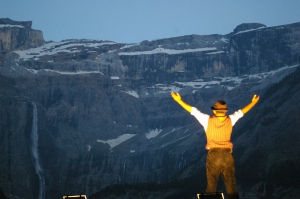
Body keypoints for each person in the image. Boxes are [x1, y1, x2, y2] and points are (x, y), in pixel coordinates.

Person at [171, 92, 260, 199]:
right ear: (224, 111)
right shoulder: (230, 120)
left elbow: (193, 111)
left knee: (212, 183)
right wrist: (253, 102)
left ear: (214, 110)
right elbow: (242, 112)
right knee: (231, 184)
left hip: (214, 154)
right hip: (227, 155)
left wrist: (178, 100)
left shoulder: (207, 120)